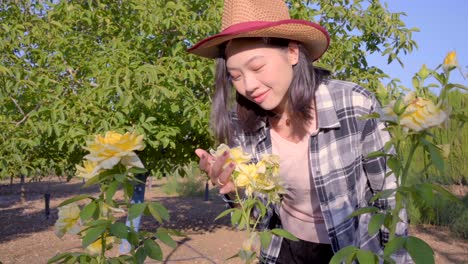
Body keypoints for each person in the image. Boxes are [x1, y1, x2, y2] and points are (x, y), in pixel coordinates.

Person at [188, 0, 410, 263]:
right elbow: (256, 219)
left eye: (257, 67)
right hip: (284, 250)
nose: (248, 85)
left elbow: (390, 198)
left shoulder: (354, 104)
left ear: (293, 53)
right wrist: (233, 190)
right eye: (235, 76)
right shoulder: (243, 121)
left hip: (351, 251)